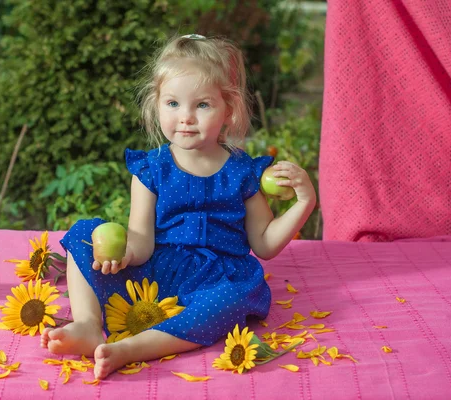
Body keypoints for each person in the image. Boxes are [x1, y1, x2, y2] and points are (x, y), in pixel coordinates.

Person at [40, 34, 316, 379]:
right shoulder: (151, 170)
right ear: (156, 105)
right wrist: (123, 253)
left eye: (202, 105)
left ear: (228, 109)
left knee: (230, 303)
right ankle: (87, 324)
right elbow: (141, 241)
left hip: (218, 279)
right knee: (82, 232)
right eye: (172, 104)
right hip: (156, 273)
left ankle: (130, 348)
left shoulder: (243, 171)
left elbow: (264, 244)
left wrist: (304, 202)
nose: (185, 117)